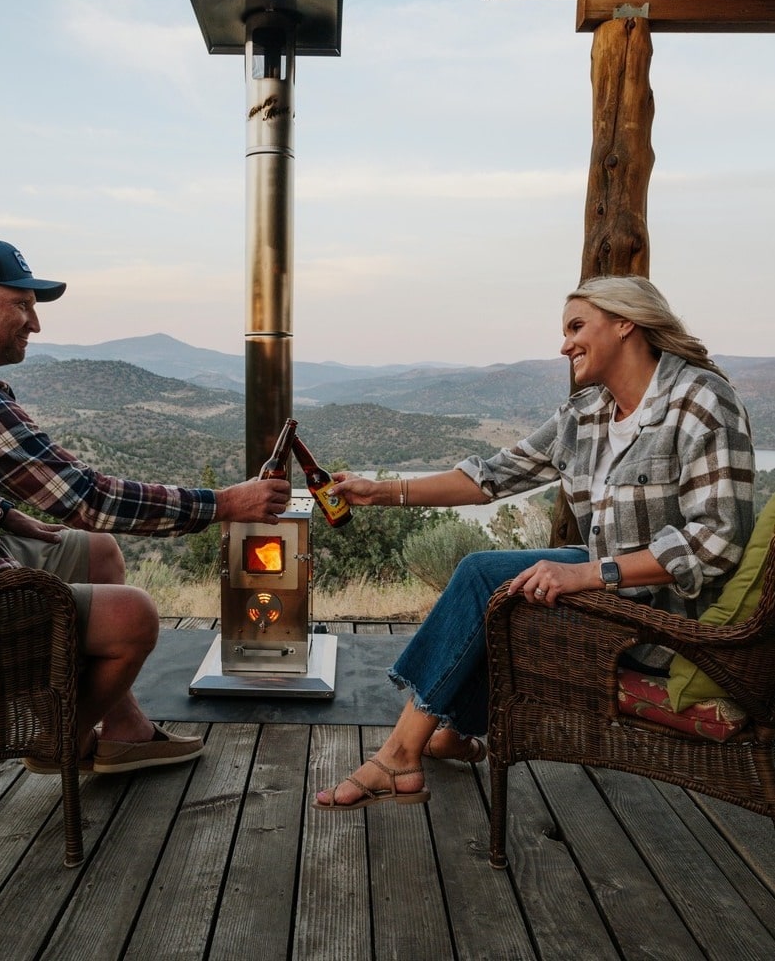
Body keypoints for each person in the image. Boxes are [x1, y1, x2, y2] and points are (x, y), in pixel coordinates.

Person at [0, 237, 291, 775]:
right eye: (21, 305)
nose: (35, 324)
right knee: (134, 617)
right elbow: (87, 499)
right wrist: (225, 503)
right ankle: (54, 738)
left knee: (97, 554)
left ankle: (125, 730)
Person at [313, 274, 755, 811]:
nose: (564, 343)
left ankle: (399, 755)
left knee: (489, 580)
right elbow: (489, 478)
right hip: (607, 582)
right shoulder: (587, 412)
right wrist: (379, 491)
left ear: (625, 324)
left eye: (575, 326)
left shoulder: (702, 401)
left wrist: (589, 574)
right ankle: (451, 728)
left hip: (666, 615)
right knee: (488, 573)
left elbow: (716, 541)